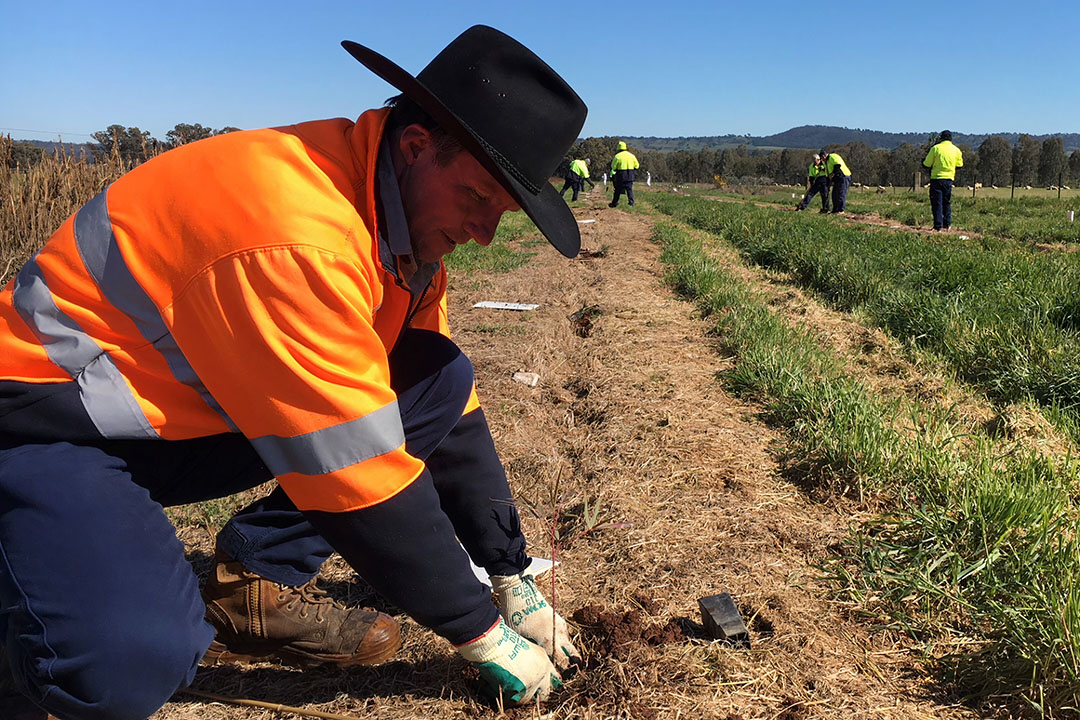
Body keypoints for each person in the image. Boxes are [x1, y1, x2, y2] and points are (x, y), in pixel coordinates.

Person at [0, 25, 588, 720]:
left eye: (505, 211)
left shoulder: (396, 232)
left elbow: (447, 412)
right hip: (45, 422)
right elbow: (359, 476)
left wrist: (510, 570)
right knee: (130, 660)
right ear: (418, 147)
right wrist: (480, 631)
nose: (485, 232)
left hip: (166, 416)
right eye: (477, 199)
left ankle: (252, 578)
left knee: (435, 377)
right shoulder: (297, 232)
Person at [923, 130, 964, 230]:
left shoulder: (936, 148)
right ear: (951, 139)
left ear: (941, 138)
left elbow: (927, 164)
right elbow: (960, 165)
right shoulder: (956, 150)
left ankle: (938, 226)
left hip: (936, 178)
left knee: (937, 202)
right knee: (947, 201)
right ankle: (947, 224)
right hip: (949, 179)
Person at [609, 141, 640, 207]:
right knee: (629, 190)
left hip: (620, 176)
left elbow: (613, 167)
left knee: (617, 190)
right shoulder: (632, 156)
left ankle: (614, 203)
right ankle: (631, 203)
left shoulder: (617, 156)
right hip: (630, 175)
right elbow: (637, 166)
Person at [822, 149, 852, 213]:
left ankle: (841, 210)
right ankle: (835, 210)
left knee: (841, 193)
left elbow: (837, 166)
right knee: (834, 194)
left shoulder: (833, 156)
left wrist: (833, 174)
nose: (822, 160)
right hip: (836, 179)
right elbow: (828, 174)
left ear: (825, 155)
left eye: (822, 158)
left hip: (843, 176)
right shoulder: (826, 163)